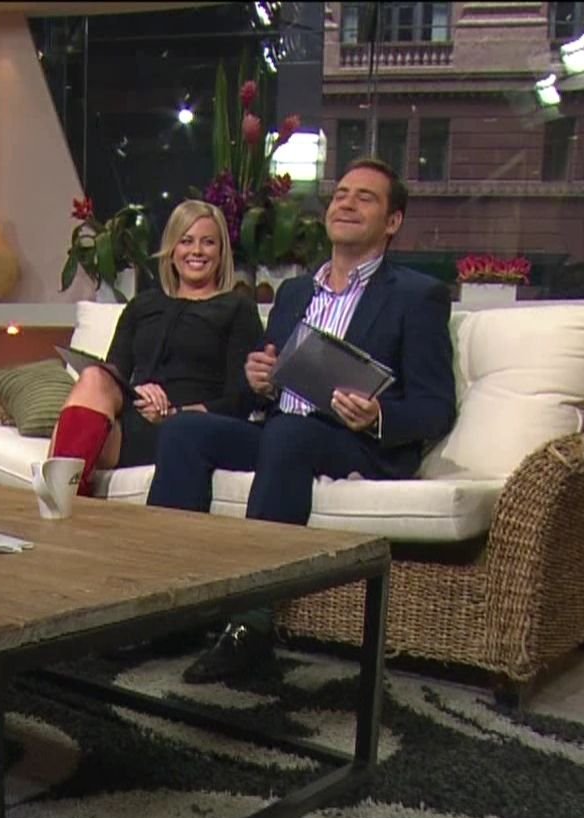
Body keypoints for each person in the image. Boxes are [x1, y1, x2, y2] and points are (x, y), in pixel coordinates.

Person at [145, 159, 455, 684]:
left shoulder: (416, 296)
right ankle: (167, 609)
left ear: (393, 221)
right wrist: (260, 380)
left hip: (353, 440)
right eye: (341, 194)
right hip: (281, 432)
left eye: (365, 197)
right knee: (184, 431)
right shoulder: (295, 293)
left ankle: (250, 625)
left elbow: (436, 405)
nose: (346, 203)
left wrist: (378, 414)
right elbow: (265, 380)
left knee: (290, 434)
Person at [44, 200, 264, 496]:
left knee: (80, 439)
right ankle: (59, 499)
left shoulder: (237, 308)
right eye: (186, 241)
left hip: (189, 430)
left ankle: (58, 502)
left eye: (208, 242)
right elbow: (115, 374)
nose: (197, 251)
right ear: (172, 249)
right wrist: (139, 390)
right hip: (135, 420)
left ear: (221, 251)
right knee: (94, 377)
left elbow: (240, 399)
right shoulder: (143, 305)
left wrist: (176, 412)